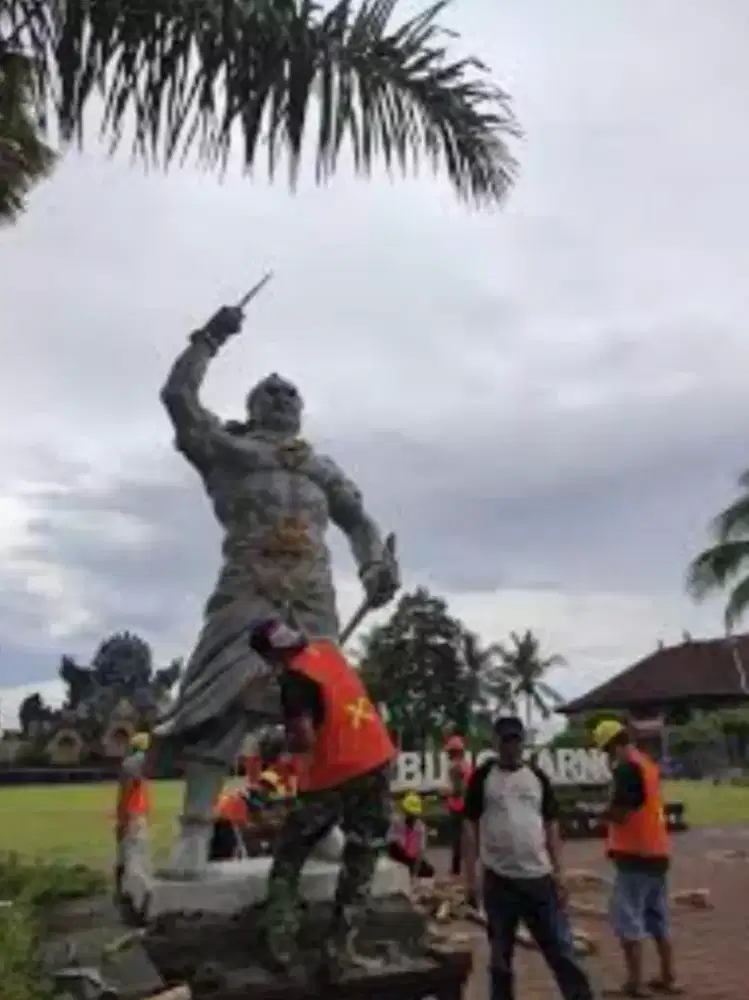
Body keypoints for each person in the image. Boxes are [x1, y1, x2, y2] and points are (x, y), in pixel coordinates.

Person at [152, 298, 399, 878]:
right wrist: (208, 340)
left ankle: (323, 825)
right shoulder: (230, 451)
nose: (282, 398)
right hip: (250, 585)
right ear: (253, 405)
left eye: (291, 393)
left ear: (303, 409)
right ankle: (193, 830)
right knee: (223, 703)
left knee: (326, 708)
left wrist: (373, 566)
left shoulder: (321, 469)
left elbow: (361, 522)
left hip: (312, 595)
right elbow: (178, 402)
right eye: (271, 392)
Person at [248, 616, 396, 981]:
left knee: (289, 854)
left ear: (269, 657)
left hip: (332, 774)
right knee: (361, 857)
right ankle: (339, 951)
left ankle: (280, 943)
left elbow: (304, 739)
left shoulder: (293, 681)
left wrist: (277, 740)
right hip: (376, 762)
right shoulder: (329, 653)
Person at [463, 715, 595, 1000]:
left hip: (539, 880)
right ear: (495, 743)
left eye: (516, 740)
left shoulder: (537, 778)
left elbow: (551, 827)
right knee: (500, 959)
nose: (511, 747)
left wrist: (560, 874)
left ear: (523, 742)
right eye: (505, 741)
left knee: (562, 951)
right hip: (499, 881)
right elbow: (470, 826)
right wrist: (470, 878)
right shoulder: (483, 777)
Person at [593, 719, 682, 998]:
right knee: (658, 917)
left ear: (613, 745)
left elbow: (623, 811)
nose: (608, 757)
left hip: (634, 855)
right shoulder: (646, 764)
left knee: (627, 917)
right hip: (657, 852)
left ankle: (635, 983)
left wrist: (599, 813)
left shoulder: (626, 769)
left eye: (607, 751)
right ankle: (668, 976)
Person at [387, 792, 435, 878]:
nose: (411, 816)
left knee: (428, 870)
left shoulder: (420, 827)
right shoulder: (397, 823)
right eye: (409, 813)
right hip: (398, 856)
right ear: (405, 811)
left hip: (411, 857)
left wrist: (416, 865)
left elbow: (421, 848)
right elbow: (390, 839)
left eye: (413, 814)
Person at [445, 734, 472, 876]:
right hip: (464, 805)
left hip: (457, 806)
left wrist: (447, 793)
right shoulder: (466, 766)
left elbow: (457, 790)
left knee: (457, 839)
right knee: (465, 839)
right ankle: (463, 869)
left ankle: (456, 870)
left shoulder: (456, 767)